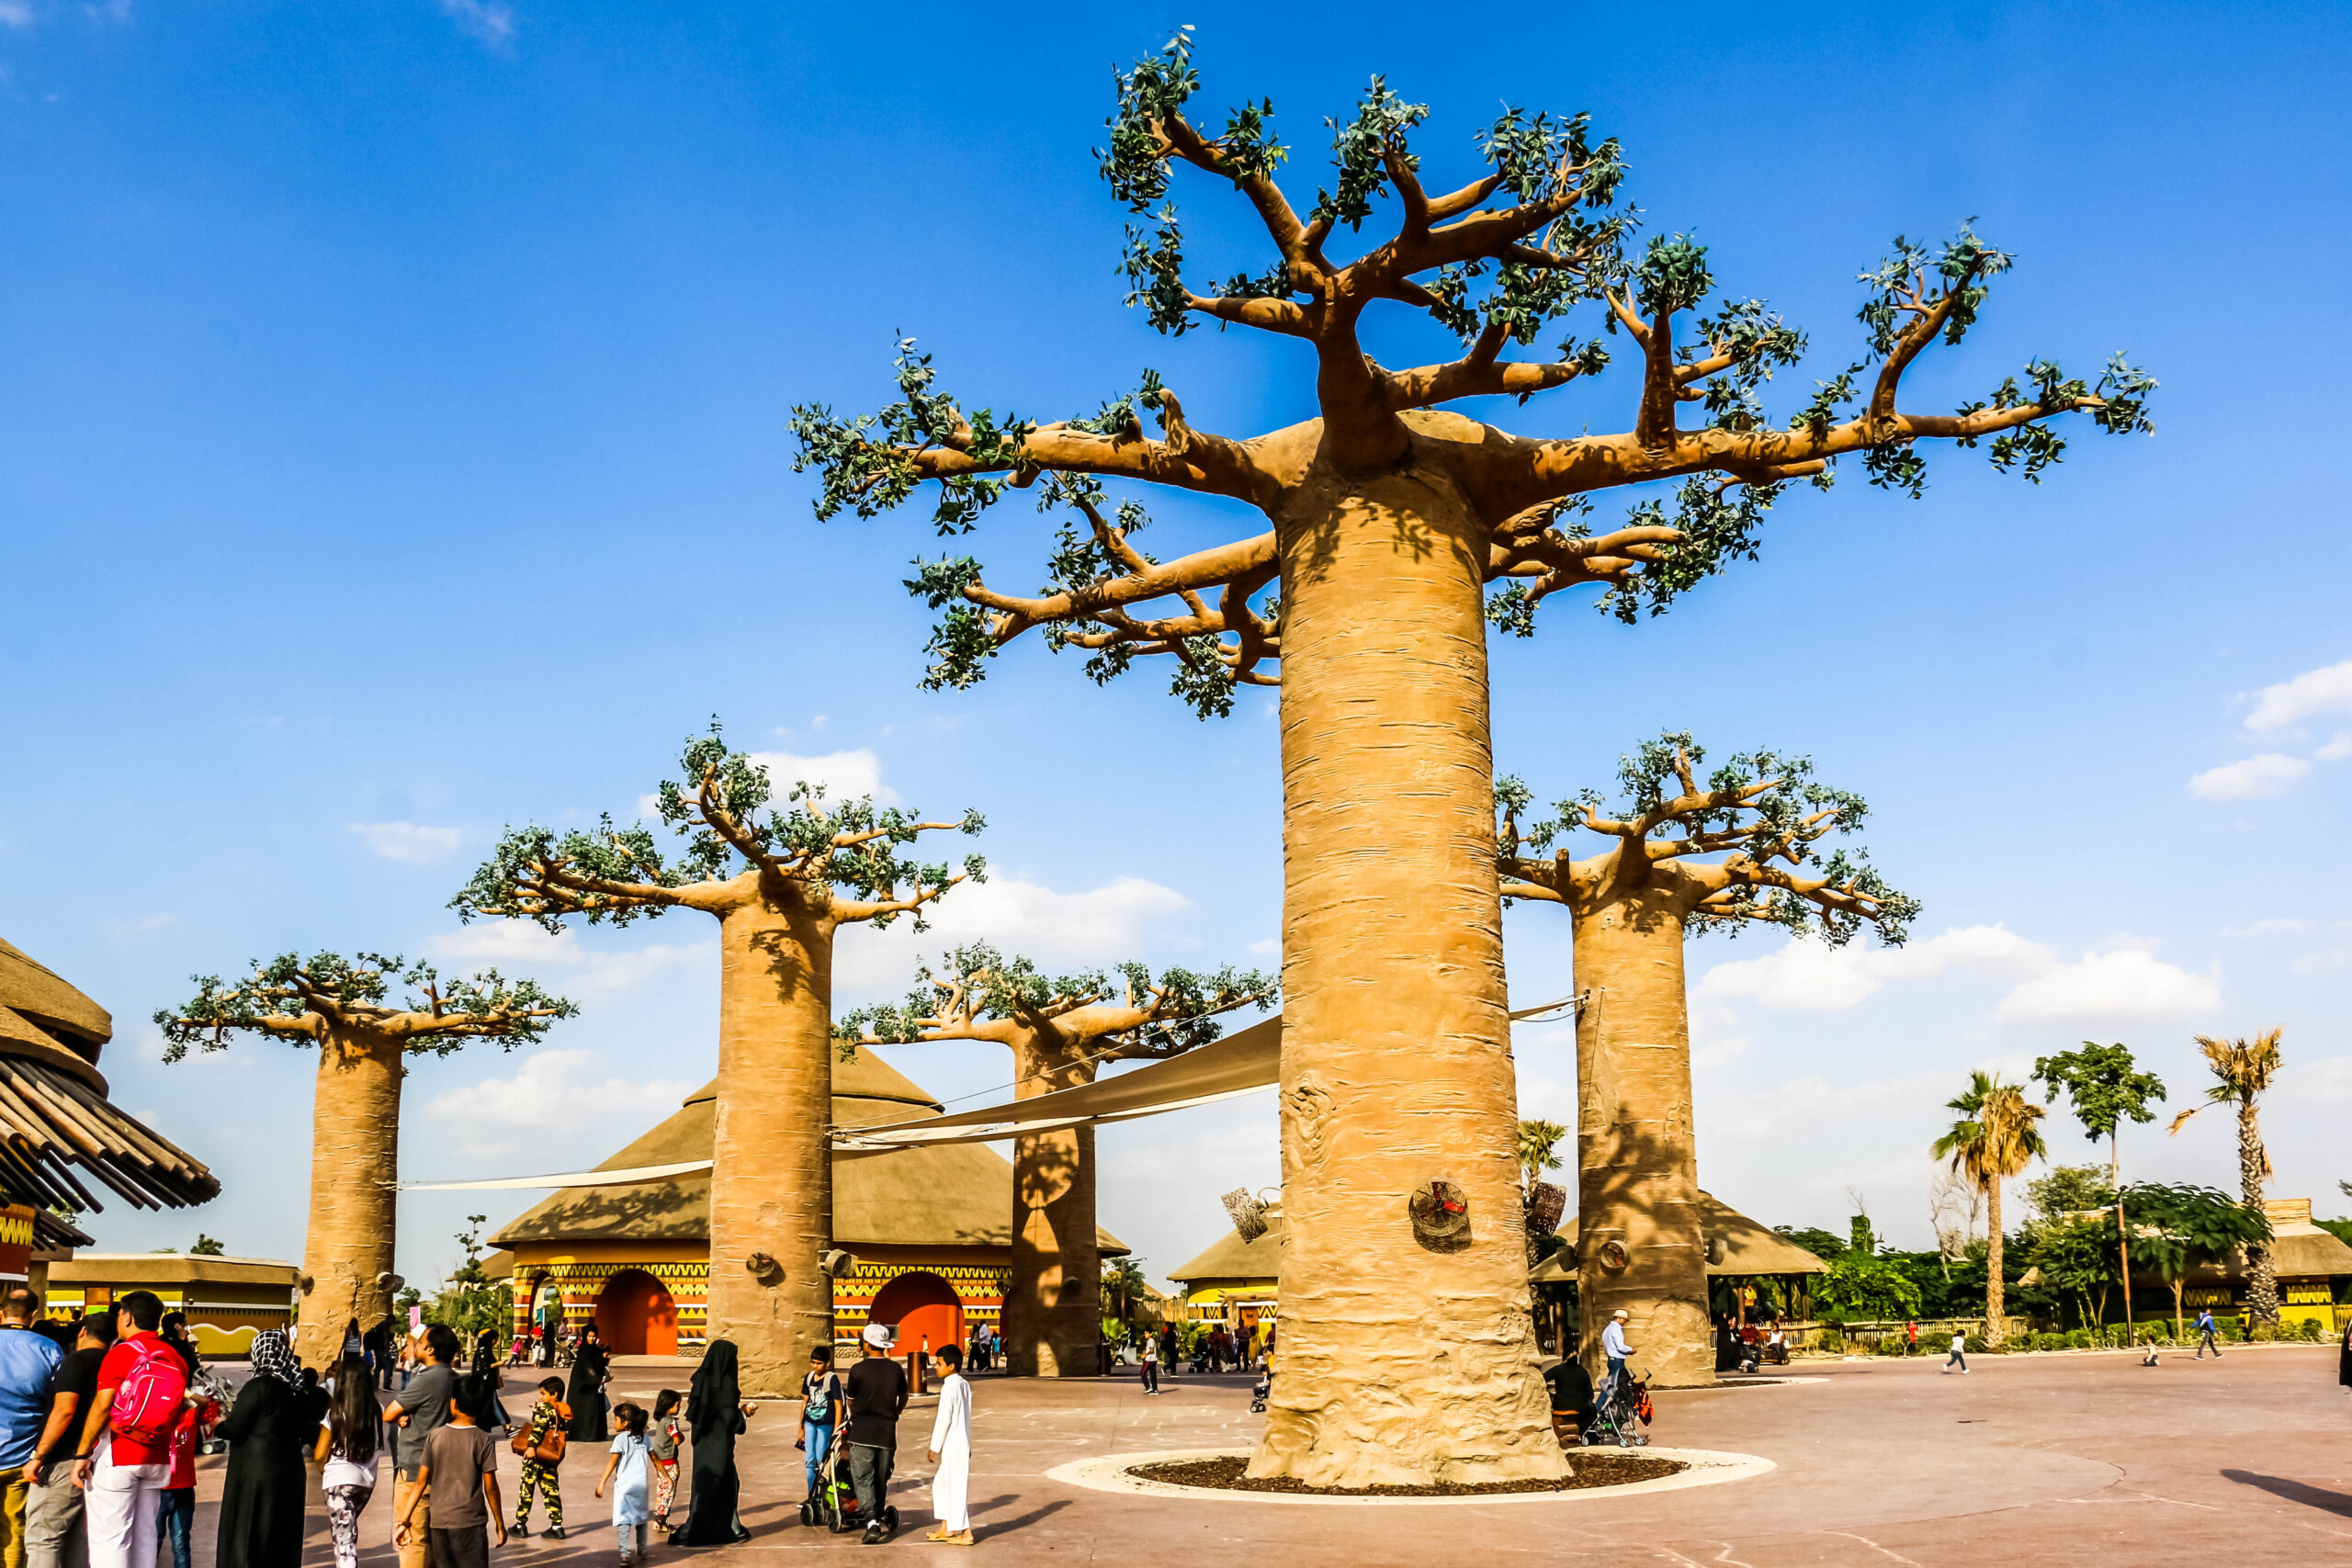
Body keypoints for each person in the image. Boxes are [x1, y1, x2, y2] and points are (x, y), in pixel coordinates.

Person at [71, 1290, 184, 1568]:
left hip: (119, 1454)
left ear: (128, 1317)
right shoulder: (174, 1356)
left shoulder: (122, 1353)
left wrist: (82, 1454)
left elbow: (102, 1406)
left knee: (110, 1539)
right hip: (156, 1458)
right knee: (145, 1535)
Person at [210, 1328, 307, 1568]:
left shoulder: (258, 1387)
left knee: (250, 1533)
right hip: (290, 1473)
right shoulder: (297, 1389)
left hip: (257, 1474)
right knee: (280, 1535)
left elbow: (234, 1429)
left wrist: (216, 1423)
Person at [26, 1310, 112, 1568]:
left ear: (83, 1331)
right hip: (95, 1461)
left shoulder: (76, 1361)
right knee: (79, 1541)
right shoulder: (112, 1363)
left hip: (63, 1460)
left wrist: (38, 1455)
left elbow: (64, 1411)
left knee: (43, 1538)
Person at [397, 1372, 503, 1568]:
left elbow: (420, 1482)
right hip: (471, 1522)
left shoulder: (435, 1436)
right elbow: (491, 1487)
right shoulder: (484, 1439)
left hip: (439, 1522)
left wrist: (404, 1522)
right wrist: (500, 1524)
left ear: (453, 1404)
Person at [383, 1322, 461, 1568]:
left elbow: (388, 1413)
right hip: (446, 1472)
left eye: (419, 1342)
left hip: (415, 1470)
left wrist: (399, 1414)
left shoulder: (426, 1380)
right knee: (436, 1543)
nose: (414, 1346)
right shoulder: (454, 1379)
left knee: (412, 1541)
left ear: (430, 1349)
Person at [0, 1284, 63, 1567]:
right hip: (22, 1457)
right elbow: (59, 1405)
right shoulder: (49, 1349)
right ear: (35, 1314)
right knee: (14, 1531)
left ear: (1, 1312)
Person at [668, 1339, 752, 1547]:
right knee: (726, 1485)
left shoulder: (702, 1380)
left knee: (703, 1486)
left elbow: (700, 1412)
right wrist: (743, 1414)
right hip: (719, 1446)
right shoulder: (725, 1386)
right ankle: (725, 1528)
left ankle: (699, 1526)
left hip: (703, 1445)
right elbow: (729, 1419)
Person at [312, 1355, 379, 1568]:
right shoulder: (378, 1411)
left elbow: (319, 1455)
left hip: (338, 1483)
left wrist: (326, 1472)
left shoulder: (335, 1414)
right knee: (347, 1533)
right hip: (365, 1484)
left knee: (345, 1544)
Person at [844, 1323, 909, 1546]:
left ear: (867, 1344)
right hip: (886, 1434)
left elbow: (850, 1401)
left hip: (862, 1433)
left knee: (863, 1478)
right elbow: (904, 1395)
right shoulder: (895, 1369)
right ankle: (877, 1514)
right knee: (881, 1479)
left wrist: (857, 1414)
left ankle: (872, 1521)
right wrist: (895, 1414)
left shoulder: (857, 1369)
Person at [154, 1364, 220, 1568]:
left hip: (183, 1488)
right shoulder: (155, 1419)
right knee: (154, 1539)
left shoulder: (189, 1418)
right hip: (159, 1490)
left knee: (181, 1542)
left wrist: (183, 1391)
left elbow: (205, 1403)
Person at [923, 1344, 972, 1546]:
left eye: (940, 1363)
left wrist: (935, 1446)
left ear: (951, 1366)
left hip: (953, 1443)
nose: (936, 1367)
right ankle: (946, 1528)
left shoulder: (949, 1387)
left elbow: (944, 1418)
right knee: (941, 1484)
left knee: (956, 1488)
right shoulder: (963, 1384)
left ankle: (966, 1533)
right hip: (961, 1442)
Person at [594, 1401, 652, 1565]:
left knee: (624, 1519)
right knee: (641, 1518)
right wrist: (666, 1476)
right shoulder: (645, 1439)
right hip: (641, 1485)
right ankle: (641, 1548)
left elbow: (612, 1462)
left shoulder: (620, 1439)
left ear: (625, 1422)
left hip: (624, 1487)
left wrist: (601, 1482)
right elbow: (655, 1459)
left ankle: (625, 1554)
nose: (614, 1423)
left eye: (616, 1419)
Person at [512, 1378, 571, 1540]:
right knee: (551, 1489)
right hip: (549, 1456)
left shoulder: (544, 1408)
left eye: (544, 1394)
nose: (541, 1397)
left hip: (536, 1455)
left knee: (526, 1489)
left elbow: (538, 1429)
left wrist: (531, 1446)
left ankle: (520, 1525)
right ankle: (557, 1526)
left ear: (555, 1394)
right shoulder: (559, 1408)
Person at [797, 1348, 842, 1504]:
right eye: (813, 1362)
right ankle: (812, 1495)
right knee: (809, 1460)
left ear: (827, 1363)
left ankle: (823, 1495)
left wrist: (836, 1430)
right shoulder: (809, 1378)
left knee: (821, 1458)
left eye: (819, 1363)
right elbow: (805, 1403)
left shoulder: (832, 1379)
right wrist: (801, 1428)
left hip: (825, 1425)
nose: (815, 1366)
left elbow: (838, 1405)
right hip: (810, 1423)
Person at [567, 1324, 611, 1444]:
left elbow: (600, 1365)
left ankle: (596, 1434)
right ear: (585, 1336)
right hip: (582, 1386)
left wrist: (603, 1360)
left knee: (594, 1409)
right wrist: (596, 1379)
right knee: (583, 1410)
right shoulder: (583, 1351)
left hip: (594, 1386)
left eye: (593, 1336)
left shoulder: (597, 1350)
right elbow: (587, 1367)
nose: (591, 1339)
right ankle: (583, 1434)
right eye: (589, 1336)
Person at [647, 1390, 684, 1529]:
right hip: (669, 1461)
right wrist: (681, 1436)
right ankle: (660, 1521)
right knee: (668, 1490)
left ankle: (659, 1518)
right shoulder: (670, 1422)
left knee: (662, 1489)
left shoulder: (661, 1420)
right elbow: (677, 1440)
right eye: (677, 1405)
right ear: (669, 1405)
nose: (679, 1408)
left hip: (659, 1460)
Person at [1542, 1356, 1594, 1448]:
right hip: (1580, 1406)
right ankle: (1583, 1432)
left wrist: (1549, 1393)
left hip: (1561, 1404)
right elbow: (1590, 1393)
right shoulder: (1583, 1371)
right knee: (1593, 1411)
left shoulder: (1558, 1369)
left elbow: (1542, 1378)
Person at [1601, 1310, 1634, 1382]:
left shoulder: (1608, 1328)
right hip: (1617, 1361)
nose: (1625, 1322)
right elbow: (1620, 1347)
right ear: (1620, 1318)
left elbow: (1611, 1346)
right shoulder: (1616, 1329)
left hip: (1613, 1360)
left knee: (1624, 1384)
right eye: (1625, 1320)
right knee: (1611, 1385)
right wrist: (1631, 1350)